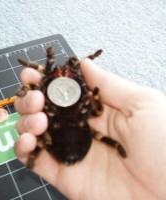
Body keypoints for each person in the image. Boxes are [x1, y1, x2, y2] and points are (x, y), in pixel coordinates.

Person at [14, 58, 166, 200]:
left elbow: (98, 110)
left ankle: (35, 156)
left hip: (57, 130)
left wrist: (98, 98)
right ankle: (35, 156)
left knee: (39, 126)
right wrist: (97, 98)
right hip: (73, 131)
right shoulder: (80, 101)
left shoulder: (57, 98)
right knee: (37, 120)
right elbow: (97, 110)